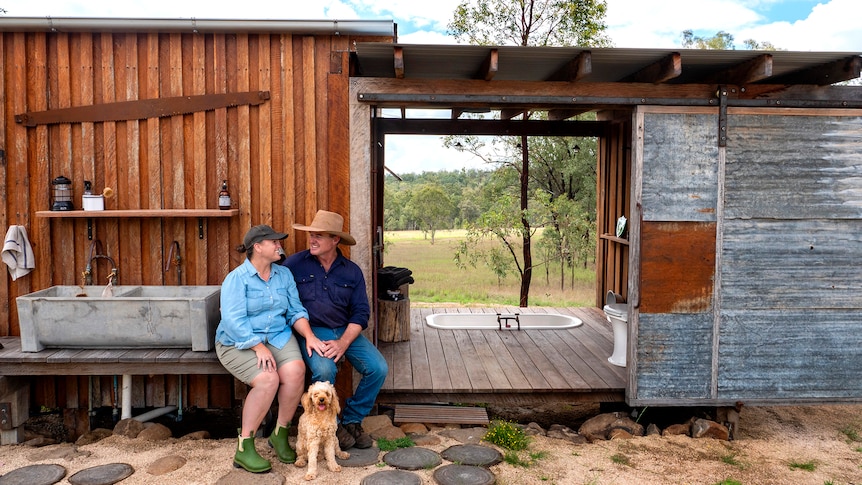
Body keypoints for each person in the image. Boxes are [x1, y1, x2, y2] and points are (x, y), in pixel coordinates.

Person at [284, 210, 388, 450]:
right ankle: (333, 424)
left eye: (319, 236)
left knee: (378, 368)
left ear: (335, 240)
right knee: (324, 369)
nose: (312, 240)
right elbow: (284, 301)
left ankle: (352, 419)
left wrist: (343, 342)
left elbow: (361, 312)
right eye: (312, 235)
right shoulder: (293, 265)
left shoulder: (351, 271)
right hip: (310, 331)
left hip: (345, 331)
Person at [215, 224, 309, 473]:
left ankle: (280, 433)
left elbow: (295, 310)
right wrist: (258, 347)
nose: (280, 245)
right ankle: (245, 446)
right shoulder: (236, 279)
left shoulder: (283, 275)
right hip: (238, 341)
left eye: (279, 242)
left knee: (296, 371)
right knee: (268, 380)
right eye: (274, 242)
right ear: (257, 247)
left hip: (277, 336)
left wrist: (309, 336)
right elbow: (233, 322)